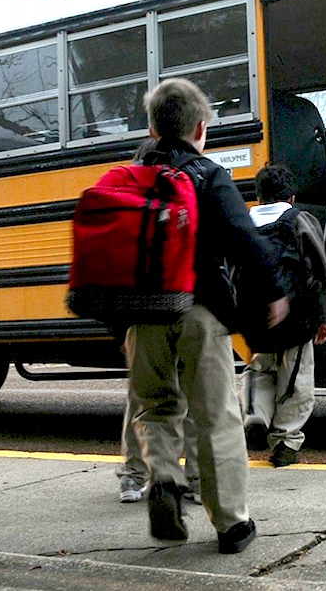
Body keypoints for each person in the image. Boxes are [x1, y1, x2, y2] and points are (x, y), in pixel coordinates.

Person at [125, 78, 286, 554]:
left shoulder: (128, 180)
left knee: (154, 408)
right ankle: (232, 525)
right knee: (216, 416)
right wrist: (274, 293)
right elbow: (246, 240)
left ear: (152, 129)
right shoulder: (208, 175)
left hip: (143, 315)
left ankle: (165, 482)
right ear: (201, 128)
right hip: (199, 310)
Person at [116, 138, 199, 506]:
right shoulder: (189, 190)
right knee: (195, 399)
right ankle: (196, 480)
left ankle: (134, 477)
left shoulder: (121, 201)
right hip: (187, 308)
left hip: (141, 317)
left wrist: (122, 328)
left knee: (144, 403)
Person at [241, 163, 326, 467]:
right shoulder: (301, 220)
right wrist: (323, 318)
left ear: (259, 195)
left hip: (256, 319)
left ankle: (256, 414)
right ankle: (286, 442)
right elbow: (320, 270)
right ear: (292, 197)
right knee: (295, 377)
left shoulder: (243, 223)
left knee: (260, 369)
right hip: (296, 317)